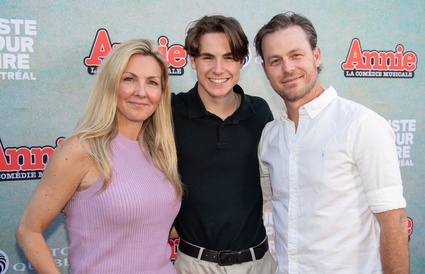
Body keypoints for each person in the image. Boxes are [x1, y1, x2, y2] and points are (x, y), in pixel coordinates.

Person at [254, 12, 409, 274]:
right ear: (265, 69)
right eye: (275, 60)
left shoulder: (361, 125)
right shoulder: (270, 136)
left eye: (296, 55)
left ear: (316, 56)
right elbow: (269, 210)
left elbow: (393, 224)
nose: (288, 68)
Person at [15, 39, 183, 274]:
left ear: (161, 93)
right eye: (129, 79)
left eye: (152, 82)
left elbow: (153, 225)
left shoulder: (160, 151)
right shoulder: (82, 149)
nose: (141, 92)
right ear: (111, 83)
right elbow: (28, 230)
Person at [171, 15, 277, 273]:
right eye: (208, 57)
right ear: (193, 60)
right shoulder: (170, 112)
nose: (218, 69)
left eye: (229, 57)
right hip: (194, 265)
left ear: (242, 61)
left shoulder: (260, 112)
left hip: (259, 264)